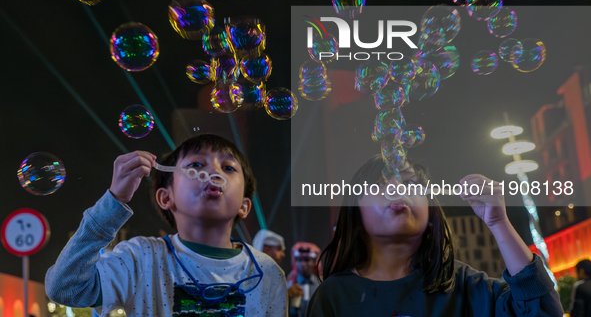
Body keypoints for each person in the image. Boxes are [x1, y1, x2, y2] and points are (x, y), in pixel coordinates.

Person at [45, 134, 288, 316]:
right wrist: (114, 201)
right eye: (196, 165)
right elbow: (64, 287)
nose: (213, 171)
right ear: (166, 198)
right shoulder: (141, 258)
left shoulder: (267, 271)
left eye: (228, 167)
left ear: (244, 205)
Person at [306, 155, 562, 317]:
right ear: (356, 214)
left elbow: (541, 312)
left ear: (430, 216)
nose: (397, 189)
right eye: (380, 184)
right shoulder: (333, 296)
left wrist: (499, 223)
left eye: (411, 184)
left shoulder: (466, 286)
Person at [287, 242, 321, 317]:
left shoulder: (321, 284)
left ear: (314, 262)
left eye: (307, 260)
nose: (302, 264)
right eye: (299, 260)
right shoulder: (288, 284)